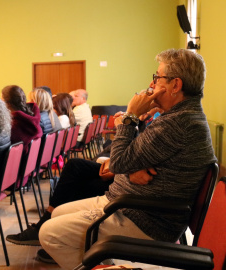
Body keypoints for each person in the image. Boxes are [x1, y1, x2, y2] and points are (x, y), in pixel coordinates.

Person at [38, 48, 217, 268]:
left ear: (175, 85)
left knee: (49, 233)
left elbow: (119, 161)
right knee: (58, 212)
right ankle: (106, 264)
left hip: (143, 218)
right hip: (129, 203)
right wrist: (138, 124)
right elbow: (133, 157)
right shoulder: (181, 117)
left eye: (157, 77)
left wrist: (130, 118)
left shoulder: (177, 124)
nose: (152, 85)